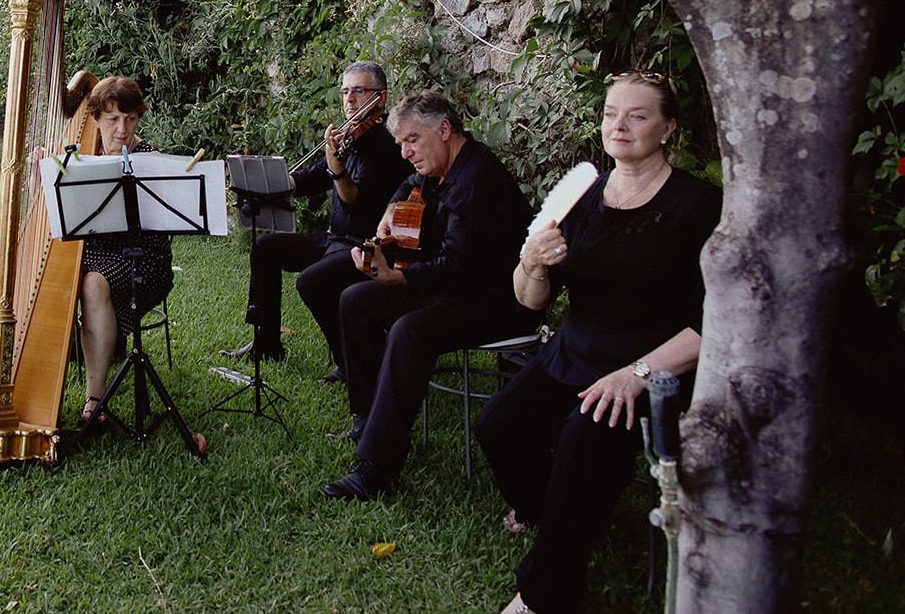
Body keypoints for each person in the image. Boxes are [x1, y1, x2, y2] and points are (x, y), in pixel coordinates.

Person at [476, 71, 720, 614]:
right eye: (612, 113)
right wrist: (531, 262)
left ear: (668, 128)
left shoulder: (698, 206)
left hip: (655, 366)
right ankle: (562, 515)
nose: (620, 125)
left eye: (637, 115)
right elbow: (531, 301)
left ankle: (545, 593)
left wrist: (636, 375)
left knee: (586, 441)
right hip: (574, 349)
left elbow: (713, 323)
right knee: (498, 427)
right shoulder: (582, 196)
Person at [322, 90, 535, 500]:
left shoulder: (477, 179)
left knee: (410, 330)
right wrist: (391, 211)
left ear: (444, 129)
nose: (405, 152)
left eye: (412, 140)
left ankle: (377, 471)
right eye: (401, 142)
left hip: (500, 300)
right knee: (355, 301)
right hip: (454, 288)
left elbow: (455, 267)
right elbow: (408, 183)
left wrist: (398, 279)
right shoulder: (442, 164)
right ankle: (368, 419)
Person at [230, 62, 407, 377]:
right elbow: (314, 177)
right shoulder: (351, 137)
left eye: (359, 91)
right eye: (345, 91)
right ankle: (266, 342)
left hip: (364, 246)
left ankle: (351, 363)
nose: (349, 99)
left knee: (311, 281)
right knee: (265, 247)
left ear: (381, 98)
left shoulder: (387, 144)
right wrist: (268, 187)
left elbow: (353, 198)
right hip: (334, 239)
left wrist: (335, 165)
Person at [77, 76, 173, 427]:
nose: (122, 129)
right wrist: (47, 167)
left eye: (130, 119)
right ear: (96, 119)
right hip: (95, 258)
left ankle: (94, 398)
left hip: (144, 260)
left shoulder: (149, 160)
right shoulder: (81, 160)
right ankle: (95, 344)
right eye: (113, 119)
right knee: (77, 281)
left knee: (91, 284)